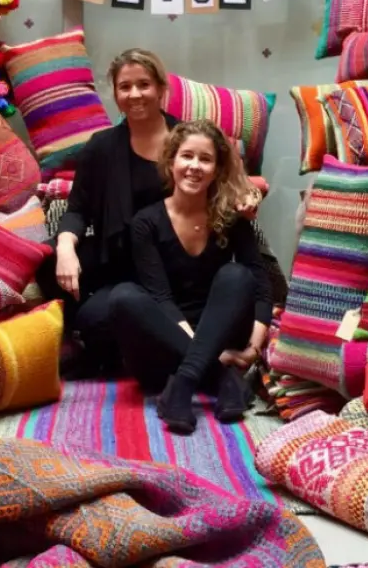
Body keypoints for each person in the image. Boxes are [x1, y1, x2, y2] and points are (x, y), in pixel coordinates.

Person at [111, 120, 271, 434]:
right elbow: (161, 298)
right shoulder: (146, 223)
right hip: (165, 348)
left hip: (222, 335)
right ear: (171, 162)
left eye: (205, 159)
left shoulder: (232, 217)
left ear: (217, 169)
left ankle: (183, 385)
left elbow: (261, 286)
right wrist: (208, 356)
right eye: (187, 156)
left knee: (237, 275)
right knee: (123, 297)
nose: (195, 166)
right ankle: (222, 380)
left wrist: (252, 351)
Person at [38, 49, 180, 375]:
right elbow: (77, 209)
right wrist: (65, 248)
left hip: (169, 264)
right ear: (115, 94)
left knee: (96, 320)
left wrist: (248, 194)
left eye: (144, 84)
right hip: (116, 260)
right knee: (46, 259)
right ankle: (86, 341)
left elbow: (224, 182)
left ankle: (119, 348)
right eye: (125, 87)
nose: (135, 94)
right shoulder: (101, 147)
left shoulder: (187, 141)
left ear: (161, 88)